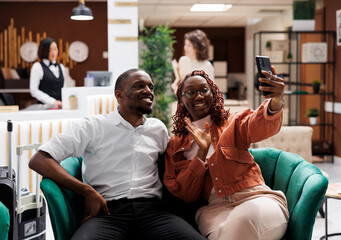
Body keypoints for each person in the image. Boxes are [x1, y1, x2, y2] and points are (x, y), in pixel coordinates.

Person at [29, 69, 207, 240]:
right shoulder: (93, 126)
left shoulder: (157, 129)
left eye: (151, 87)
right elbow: (39, 160)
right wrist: (87, 191)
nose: (148, 91)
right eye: (139, 86)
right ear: (119, 95)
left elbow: (173, 165)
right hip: (108, 213)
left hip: (154, 213)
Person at [164, 69, 289, 240]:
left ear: (213, 93)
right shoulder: (175, 145)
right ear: (181, 99)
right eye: (191, 92)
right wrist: (201, 153)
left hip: (257, 198)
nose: (199, 96)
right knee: (234, 229)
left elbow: (260, 125)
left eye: (203, 90)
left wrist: (276, 100)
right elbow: (185, 194)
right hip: (215, 210)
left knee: (241, 221)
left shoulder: (234, 123)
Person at [30, 37, 66, 109]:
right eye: (50, 50)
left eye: (55, 49)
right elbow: (33, 90)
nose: (53, 53)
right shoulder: (37, 67)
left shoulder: (61, 67)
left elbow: (64, 88)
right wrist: (52, 102)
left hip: (61, 107)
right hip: (44, 108)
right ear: (43, 51)